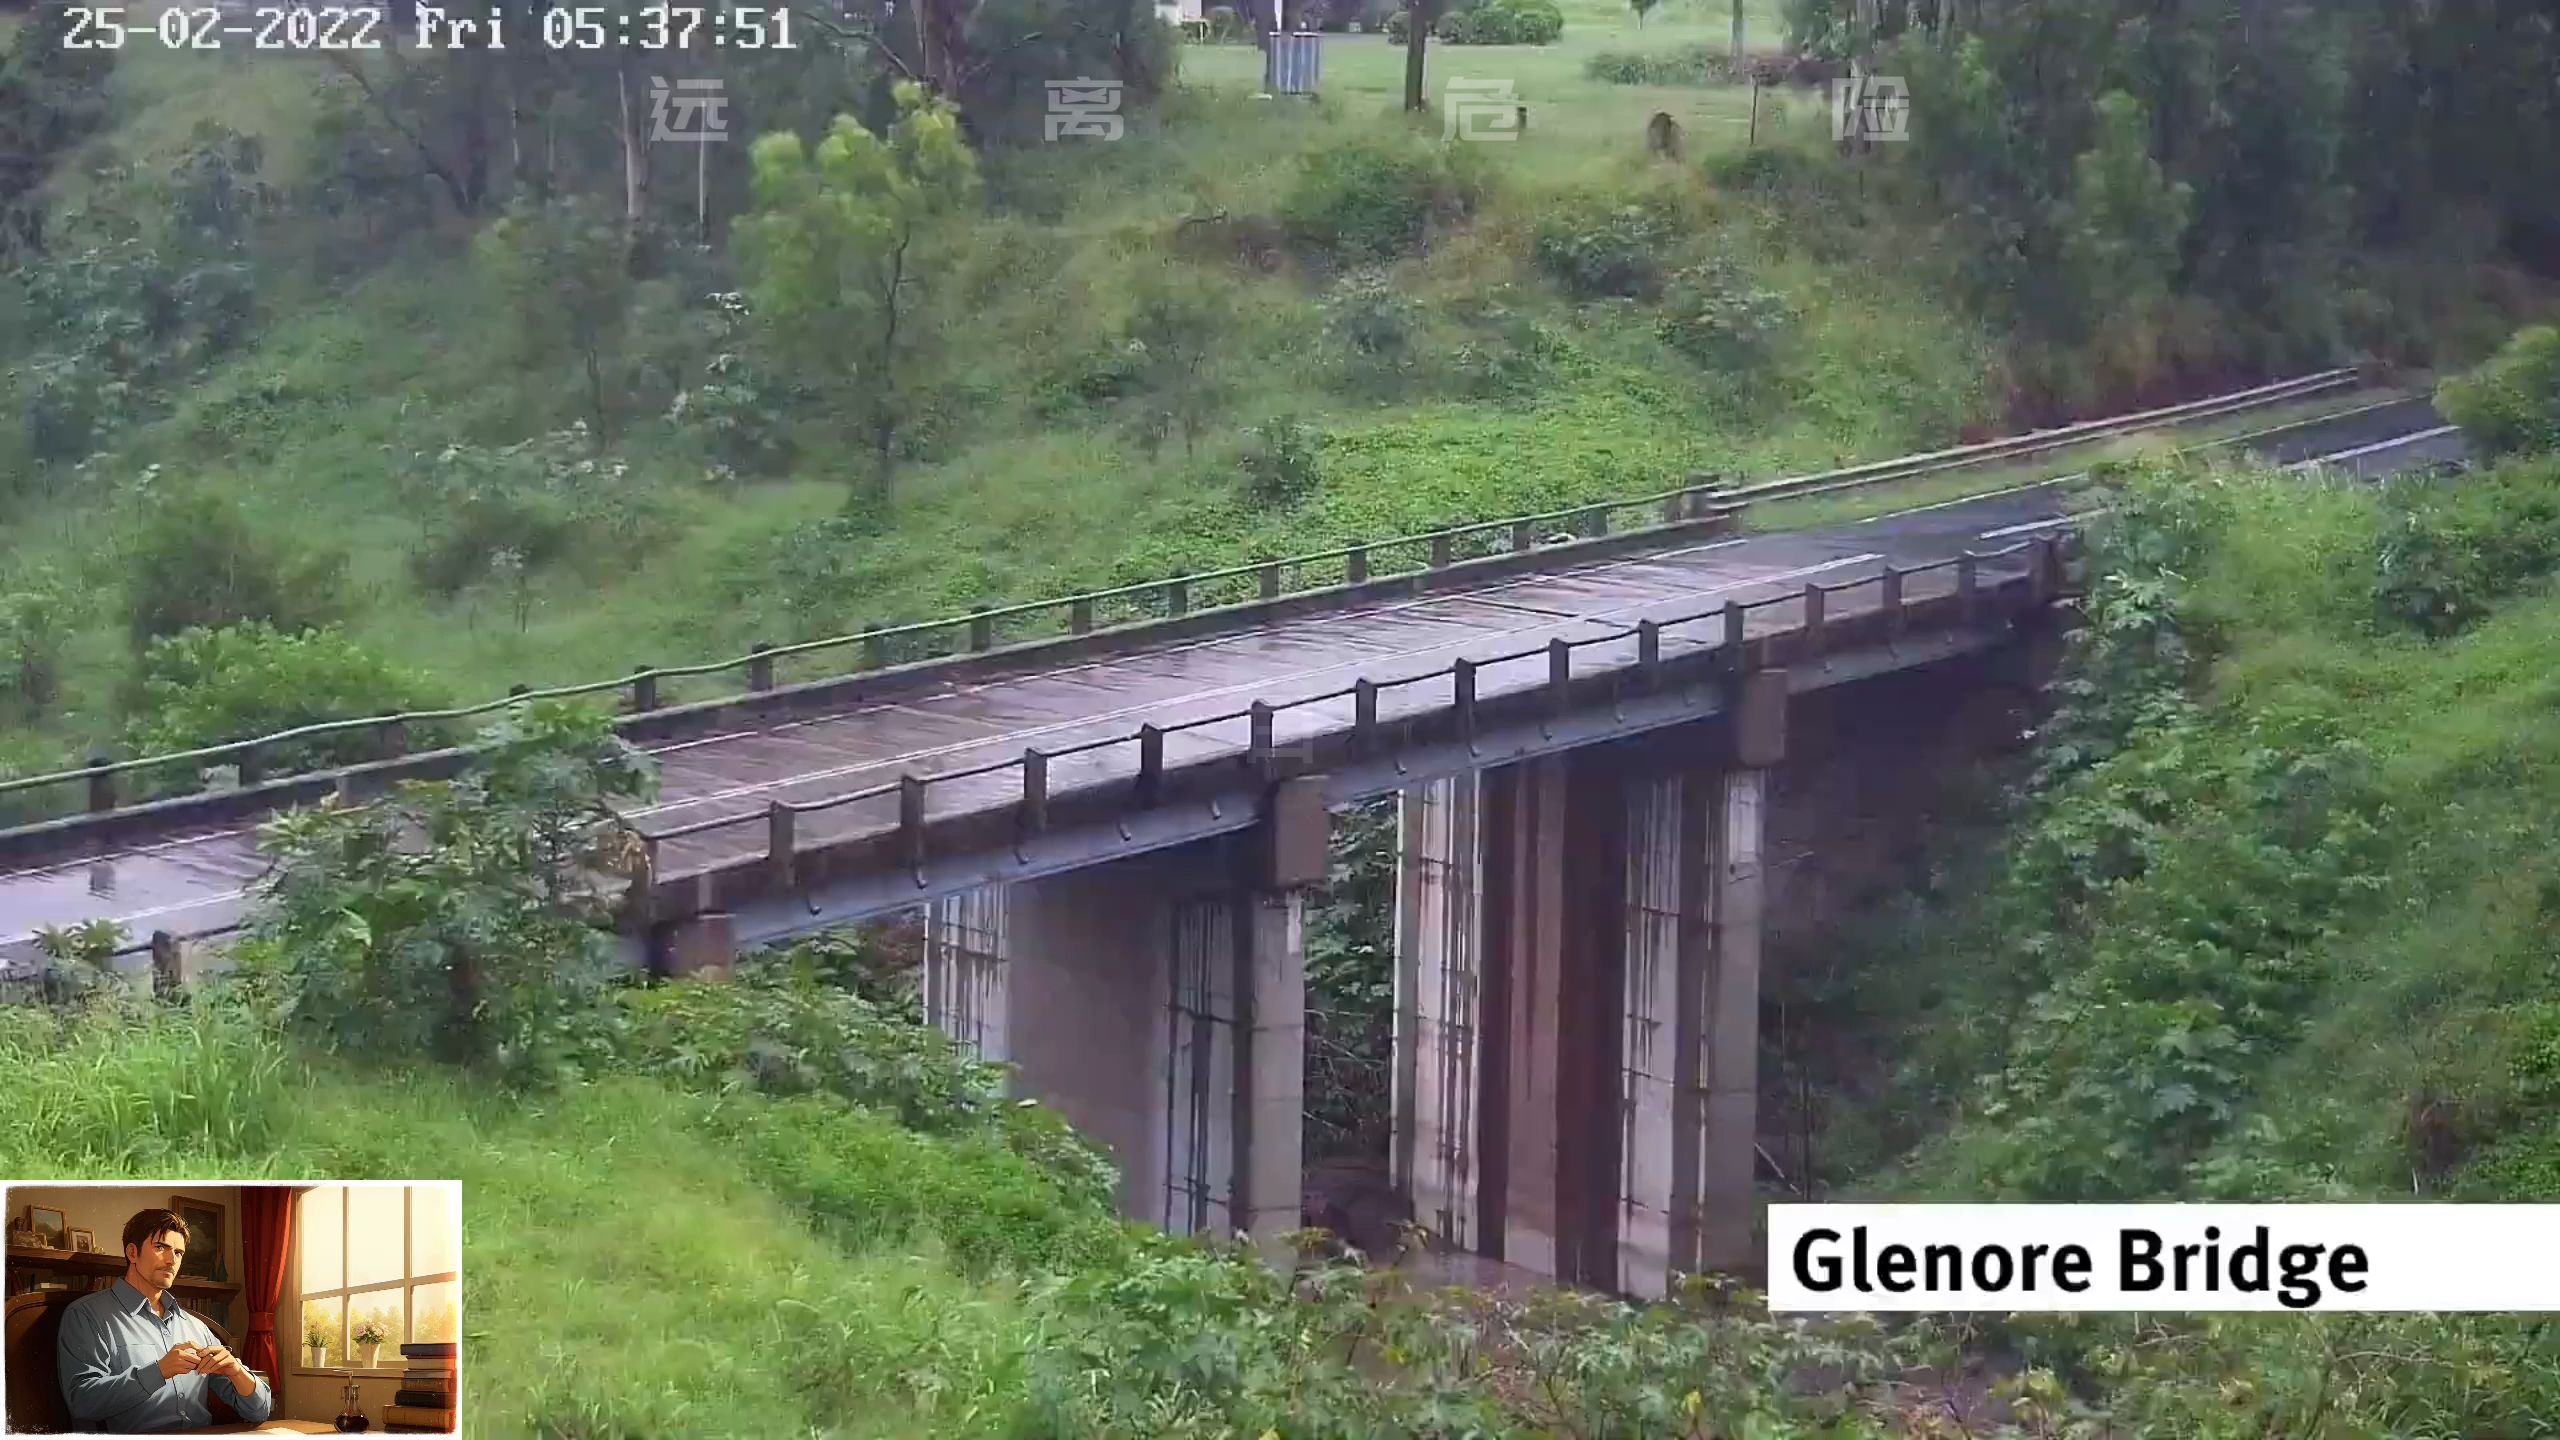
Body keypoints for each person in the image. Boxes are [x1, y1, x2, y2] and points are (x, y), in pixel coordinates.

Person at [56, 1208, 273, 1433]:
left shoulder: (197, 1327)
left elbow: (259, 1411)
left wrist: (236, 1371)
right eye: (161, 1247)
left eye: (179, 1253)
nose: (172, 1260)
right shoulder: (86, 1315)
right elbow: (82, 1402)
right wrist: (158, 1372)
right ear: (132, 1253)